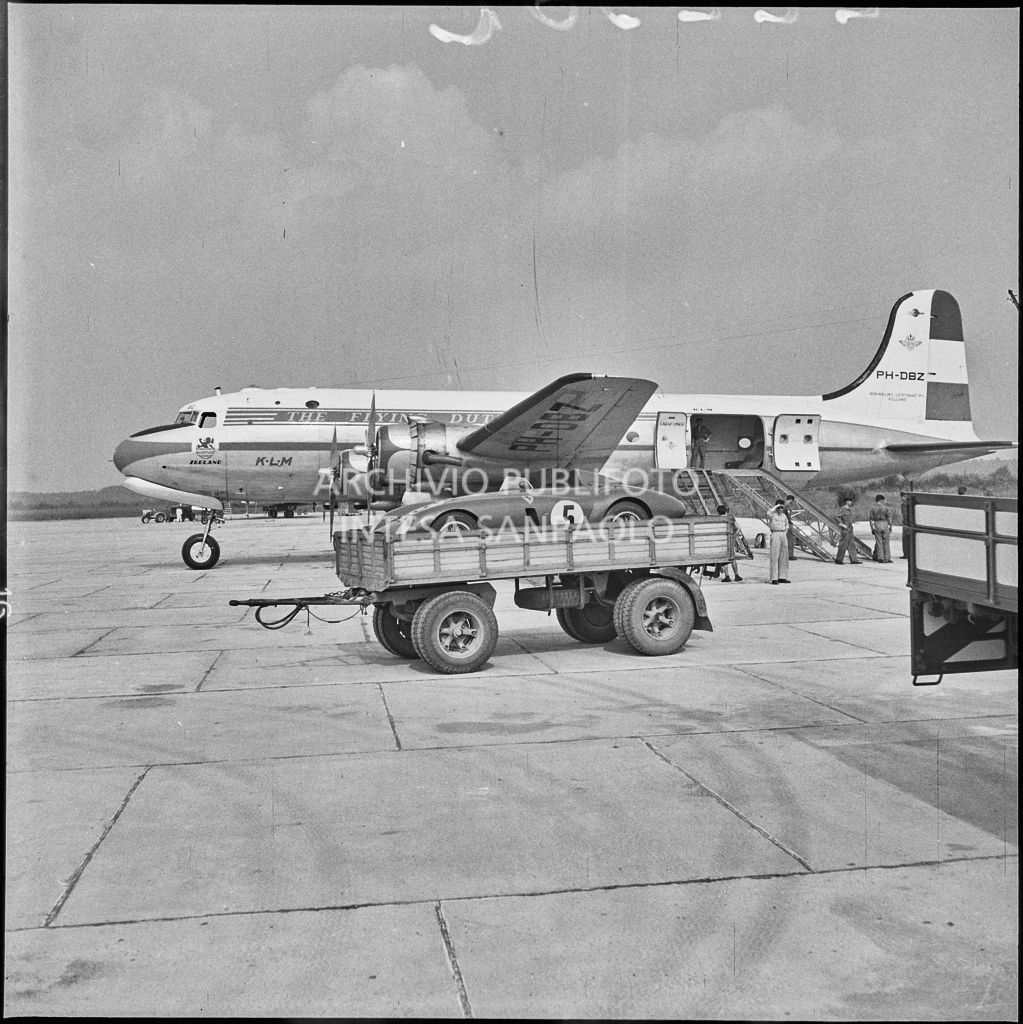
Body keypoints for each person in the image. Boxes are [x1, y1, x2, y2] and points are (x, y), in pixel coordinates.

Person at [713, 504, 743, 582]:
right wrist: (734, 536)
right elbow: (739, 528)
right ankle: (736, 575)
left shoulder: (717, 520)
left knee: (724, 559)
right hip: (730, 540)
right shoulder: (731, 519)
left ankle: (727, 576)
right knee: (732, 558)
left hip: (721, 541)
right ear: (726, 511)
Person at [767, 500, 791, 584]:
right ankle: (774, 578)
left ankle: (782, 576)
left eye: (782, 507)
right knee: (774, 556)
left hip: (783, 534)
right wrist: (776, 506)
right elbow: (768, 512)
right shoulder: (772, 515)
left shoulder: (784, 515)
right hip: (775, 533)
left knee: (784, 556)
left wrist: (785, 532)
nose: (781, 509)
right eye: (779, 507)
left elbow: (787, 525)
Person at [834, 498, 862, 564]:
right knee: (843, 545)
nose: (851, 502)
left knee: (852, 545)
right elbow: (836, 516)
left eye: (851, 501)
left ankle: (854, 560)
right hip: (845, 530)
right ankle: (838, 560)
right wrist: (842, 524)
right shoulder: (843, 508)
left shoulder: (849, 509)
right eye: (850, 501)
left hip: (850, 529)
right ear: (847, 502)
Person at [868, 493, 893, 562]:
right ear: (882, 500)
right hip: (885, 523)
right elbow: (890, 519)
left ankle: (880, 558)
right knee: (886, 542)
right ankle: (887, 558)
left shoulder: (872, 508)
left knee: (879, 542)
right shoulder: (886, 508)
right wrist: (890, 526)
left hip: (877, 524)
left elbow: (871, 520)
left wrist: (872, 529)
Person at [783, 494, 799, 560]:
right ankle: (790, 555)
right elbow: (789, 515)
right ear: (791, 500)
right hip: (788, 524)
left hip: (784, 524)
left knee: (786, 539)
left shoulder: (784, 504)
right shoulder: (788, 505)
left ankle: (785, 554)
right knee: (790, 540)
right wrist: (790, 522)